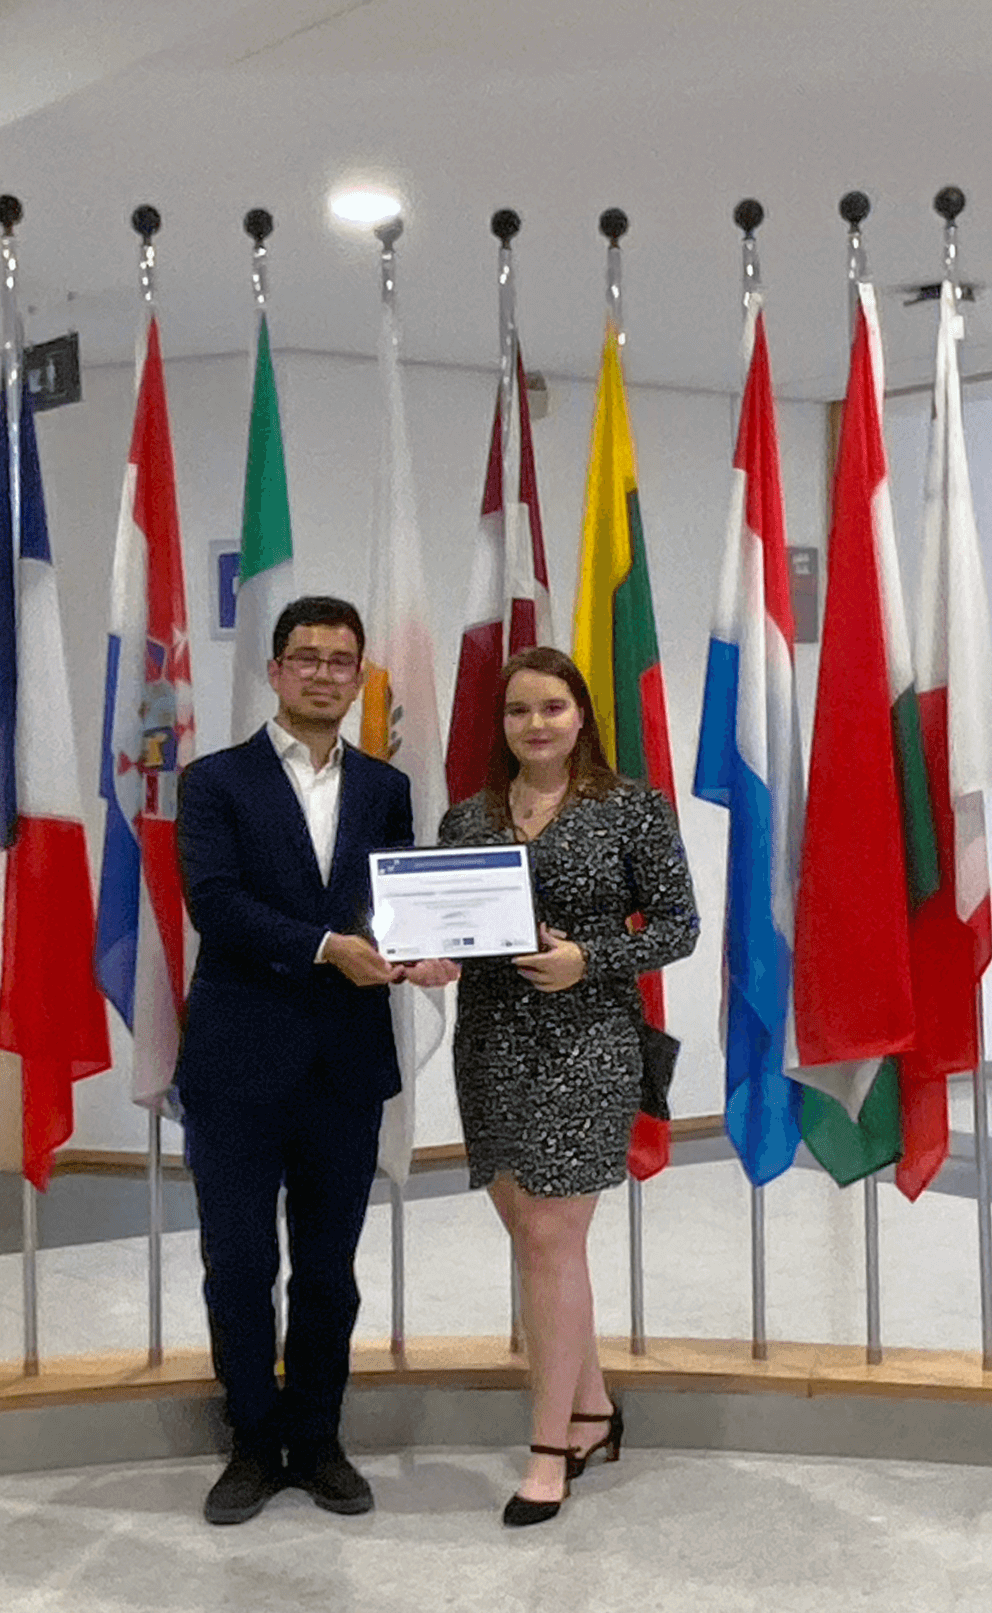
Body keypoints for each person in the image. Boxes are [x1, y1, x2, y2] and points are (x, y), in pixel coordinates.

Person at [173, 593, 449, 1525]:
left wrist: (418, 951)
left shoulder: (384, 787)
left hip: (343, 1067)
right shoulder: (213, 782)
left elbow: (393, 903)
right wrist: (332, 947)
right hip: (236, 1067)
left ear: (358, 672)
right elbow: (215, 905)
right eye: (307, 657)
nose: (325, 673)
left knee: (329, 1268)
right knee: (240, 1263)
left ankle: (319, 1437)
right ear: (275, 670)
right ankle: (252, 1443)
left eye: (341, 659)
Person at [430, 646, 697, 1526]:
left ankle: (546, 1453)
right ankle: (589, 1409)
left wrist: (589, 957)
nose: (534, 724)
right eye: (517, 711)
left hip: (587, 1039)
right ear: (501, 725)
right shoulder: (467, 819)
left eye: (551, 707)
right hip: (492, 1040)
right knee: (533, 1234)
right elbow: (446, 922)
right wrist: (427, 955)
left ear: (581, 714)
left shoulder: (630, 809)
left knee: (550, 1232)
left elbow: (678, 926)